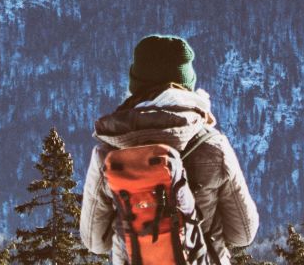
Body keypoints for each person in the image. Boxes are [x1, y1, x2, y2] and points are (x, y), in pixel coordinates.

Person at [80, 34, 260, 264]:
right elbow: (243, 233)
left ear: (135, 84)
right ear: (187, 82)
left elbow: (95, 241)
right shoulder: (214, 147)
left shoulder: (108, 154)